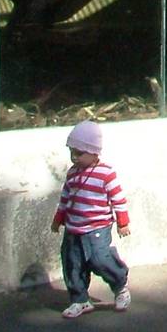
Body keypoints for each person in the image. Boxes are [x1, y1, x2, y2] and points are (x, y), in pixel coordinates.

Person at [51, 119, 131, 319]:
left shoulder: (106, 173)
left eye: (79, 153)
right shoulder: (72, 173)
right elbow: (66, 198)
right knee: (72, 263)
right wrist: (58, 219)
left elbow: (118, 199)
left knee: (99, 259)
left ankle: (120, 285)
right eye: (72, 152)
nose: (74, 157)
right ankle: (79, 299)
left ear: (94, 152)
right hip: (73, 228)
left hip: (97, 227)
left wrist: (123, 223)